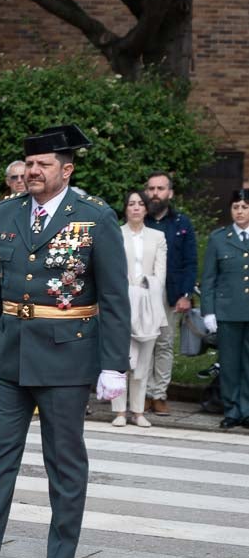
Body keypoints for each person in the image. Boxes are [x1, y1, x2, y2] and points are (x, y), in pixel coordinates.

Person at [0, 124, 130, 558]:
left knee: (63, 457)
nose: (34, 172)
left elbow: (115, 296)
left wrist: (113, 362)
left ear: (67, 169)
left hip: (67, 354)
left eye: (43, 165)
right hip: (13, 350)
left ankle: (61, 550)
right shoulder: (6, 213)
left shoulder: (93, 217)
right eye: (30, 165)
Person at [143, 171, 199, 415]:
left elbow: (190, 262)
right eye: (151, 188)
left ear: (170, 193)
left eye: (160, 188)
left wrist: (185, 294)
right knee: (143, 344)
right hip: (142, 294)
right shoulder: (139, 220)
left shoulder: (181, 224)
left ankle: (159, 394)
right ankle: (141, 393)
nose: (155, 193)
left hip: (170, 294)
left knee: (164, 345)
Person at [113, 189, 167, 428]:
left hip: (147, 301)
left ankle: (137, 410)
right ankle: (119, 412)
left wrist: (147, 288)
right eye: (131, 203)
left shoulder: (157, 237)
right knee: (120, 358)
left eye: (140, 204)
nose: (135, 207)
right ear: (125, 208)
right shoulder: (116, 234)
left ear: (146, 208)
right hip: (121, 302)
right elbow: (111, 269)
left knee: (143, 361)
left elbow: (160, 272)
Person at [200, 188, 249, 429]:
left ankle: (247, 409)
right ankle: (231, 409)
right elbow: (209, 278)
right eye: (236, 207)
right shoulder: (219, 238)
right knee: (229, 364)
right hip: (228, 312)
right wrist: (208, 311)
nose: (240, 212)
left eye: (244, 207)